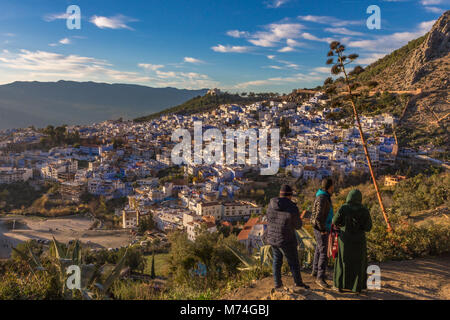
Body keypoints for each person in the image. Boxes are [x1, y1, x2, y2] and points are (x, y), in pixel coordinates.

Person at [266, 184, 310, 292]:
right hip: (286, 239)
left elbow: (269, 219)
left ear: (280, 194)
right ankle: (298, 284)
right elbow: (298, 226)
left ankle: (278, 285)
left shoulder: (271, 204)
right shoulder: (292, 207)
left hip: (272, 237)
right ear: (290, 195)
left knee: (277, 260)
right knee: (293, 262)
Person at [332, 189, 372, 293]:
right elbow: (368, 227)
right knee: (358, 263)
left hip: (344, 240)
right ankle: (357, 288)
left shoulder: (344, 208)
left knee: (342, 262)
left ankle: (339, 286)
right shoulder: (364, 210)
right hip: (359, 240)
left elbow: (335, 221)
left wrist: (342, 225)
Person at [310, 178, 334, 288]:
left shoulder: (323, 196)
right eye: (332, 187)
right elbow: (318, 217)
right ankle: (320, 277)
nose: (333, 189)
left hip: (320, 227)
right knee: (324, 252)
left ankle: (315, 271)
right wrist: (323, 229)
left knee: (319, 249)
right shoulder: (323, 198)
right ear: (329, 187)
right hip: (321, 228)